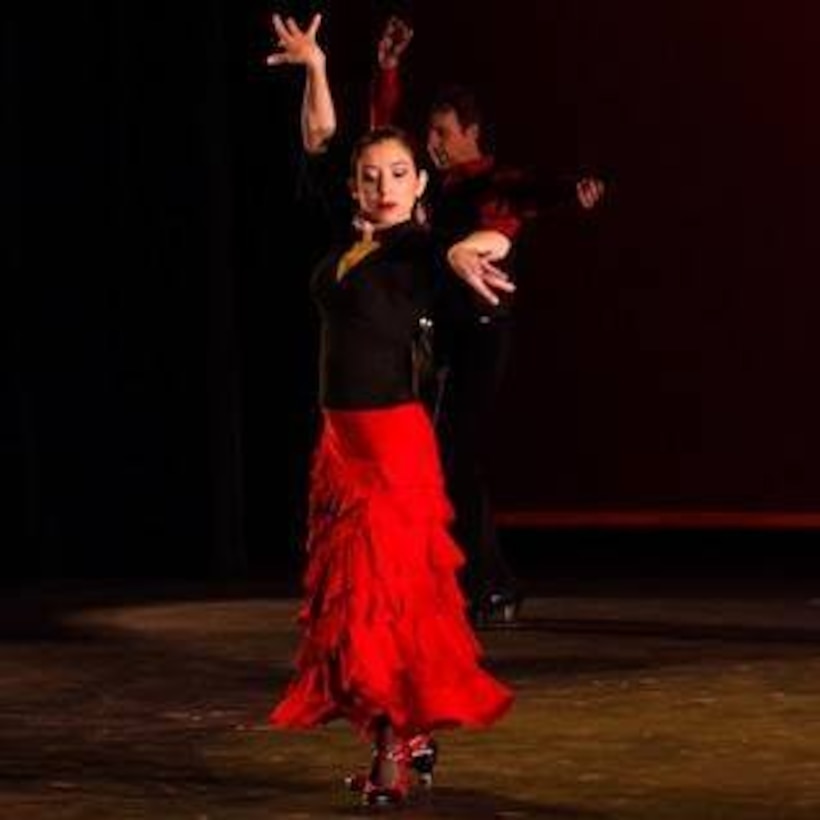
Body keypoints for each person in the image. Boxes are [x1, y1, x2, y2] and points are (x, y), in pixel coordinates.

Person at [265, 13, 514, 808]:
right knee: (357, 612)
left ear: (420, 184)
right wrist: (316, 68)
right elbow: (320, 137)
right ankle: (409, 736)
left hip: (392, 453)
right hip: (340, 450)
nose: (383, 186)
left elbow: (476, 242)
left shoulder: (414, 248)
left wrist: (477, 249)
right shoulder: (350, 245)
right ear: (355, 186)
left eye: (399, 174)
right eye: (371, 175)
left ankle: (393, 757)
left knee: (387, 609)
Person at [370, 16, 606, 625]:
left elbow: (537, 188)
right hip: (440, 334)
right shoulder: (433, 189)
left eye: (444, 131)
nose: (436, 141)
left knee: (454, 453)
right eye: (432, 131)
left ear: (471, 133)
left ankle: (488, 582)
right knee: (448, 456)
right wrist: (389, 67)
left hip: (482, 334)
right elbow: (384, 135)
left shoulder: (494, 183)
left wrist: (572, 189)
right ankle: (489, 581)